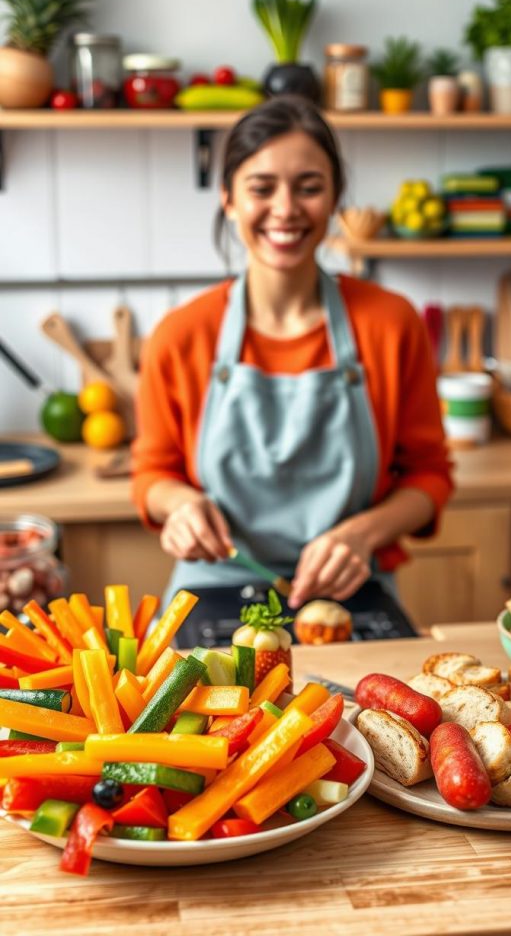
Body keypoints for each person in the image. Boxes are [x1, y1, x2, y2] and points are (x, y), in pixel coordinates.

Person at [131, 96, 453, 646]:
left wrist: (362, 534)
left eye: (308, 187)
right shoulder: (181, 335)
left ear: (333, 201)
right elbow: (151, 476)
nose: (285, 209)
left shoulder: (390, 324)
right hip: (213, 581)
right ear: (229, 199)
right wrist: (180, 506)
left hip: (353, 586)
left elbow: (430, 476)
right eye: (262, 188)